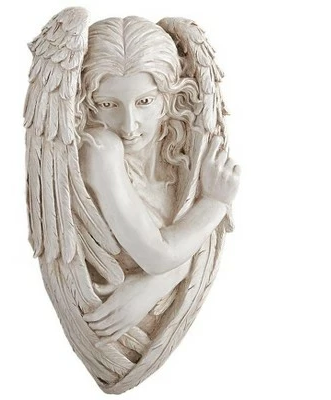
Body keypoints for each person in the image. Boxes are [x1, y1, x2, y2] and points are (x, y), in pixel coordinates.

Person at [72, 16, 240, 346]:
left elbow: (184, 247)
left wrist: (156, 282)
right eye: (108, 104)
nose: (129, 125)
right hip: (110, 334)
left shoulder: (178, 156)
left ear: (169, 96)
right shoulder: (99, 149)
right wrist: (214, 203)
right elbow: (157, 257)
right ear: (88, 104)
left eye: (144, 101)